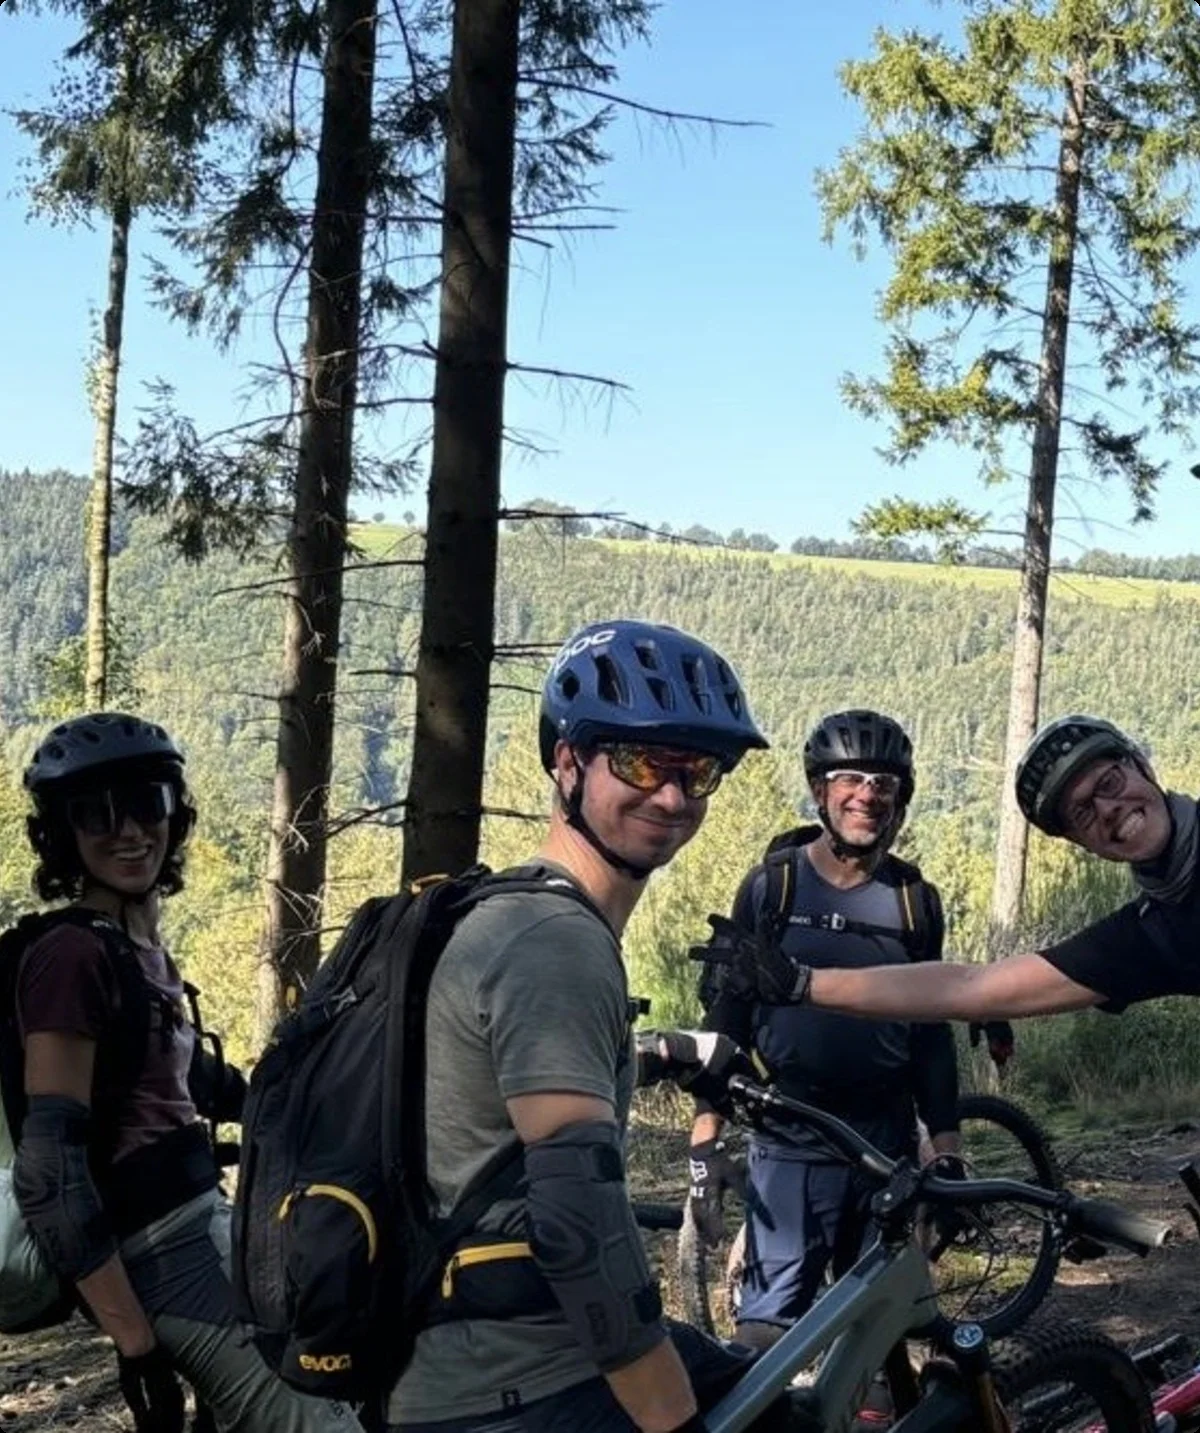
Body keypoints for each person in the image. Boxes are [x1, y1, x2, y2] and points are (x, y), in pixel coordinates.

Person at [390, 620, 773, 1433]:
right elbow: (578, 1226)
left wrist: (664, 1048)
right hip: (512, 1379)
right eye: (640, 762)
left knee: (767, 1393)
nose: (672, 796)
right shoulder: (555, 943)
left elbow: (505, 1068)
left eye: (697, 770)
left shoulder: (509, 905)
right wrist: (671, 1421)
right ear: (567, 763)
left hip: (456, 1336)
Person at [14, 713, 362, 1433]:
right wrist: (136, 1345)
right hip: (158, 1254)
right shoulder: (72, 958)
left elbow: (185, 1078)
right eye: (95, 814)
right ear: (61, 834)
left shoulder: (135, 942)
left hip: (204, 1223)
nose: (129, 829)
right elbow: (51, 1172)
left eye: (148, 802)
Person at [688, 710, 963, 1371]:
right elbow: (727, 1022)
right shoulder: (773, 887)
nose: (866, 793)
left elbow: (930, 1035)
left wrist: (948, 1152)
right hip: (791, 1140)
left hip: (885, 1145)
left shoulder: (913, 901)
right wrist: (704, 1149)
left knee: (875, 1340)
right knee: (764, 1338)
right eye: (849, 777)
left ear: (901, 797)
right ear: (819, 790)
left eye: (883, 782)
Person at [702, 713, 1200, 1028]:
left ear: (1141, 766)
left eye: (1110, 782)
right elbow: (969, 988)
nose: (1109, 810)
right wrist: (800, 984)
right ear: (1079, 842)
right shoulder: (1155, 935)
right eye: (1083, 814)